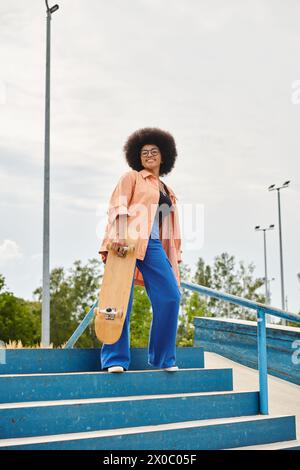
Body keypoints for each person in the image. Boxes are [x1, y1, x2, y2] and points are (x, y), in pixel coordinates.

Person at [98, 127, 182, 373]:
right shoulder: (132, 177)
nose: (149, 155)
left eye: (154, 151)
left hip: (154, 246)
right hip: (127, 241)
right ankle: (115, 359)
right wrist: (122, 236)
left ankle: (163, 359)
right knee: (119, 298)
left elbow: (167, 226)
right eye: (144, 152)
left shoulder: (167, 191)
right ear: (137, 156)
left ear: (164, 156)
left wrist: (174, 254)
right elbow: (119, 205)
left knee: (170, 296)